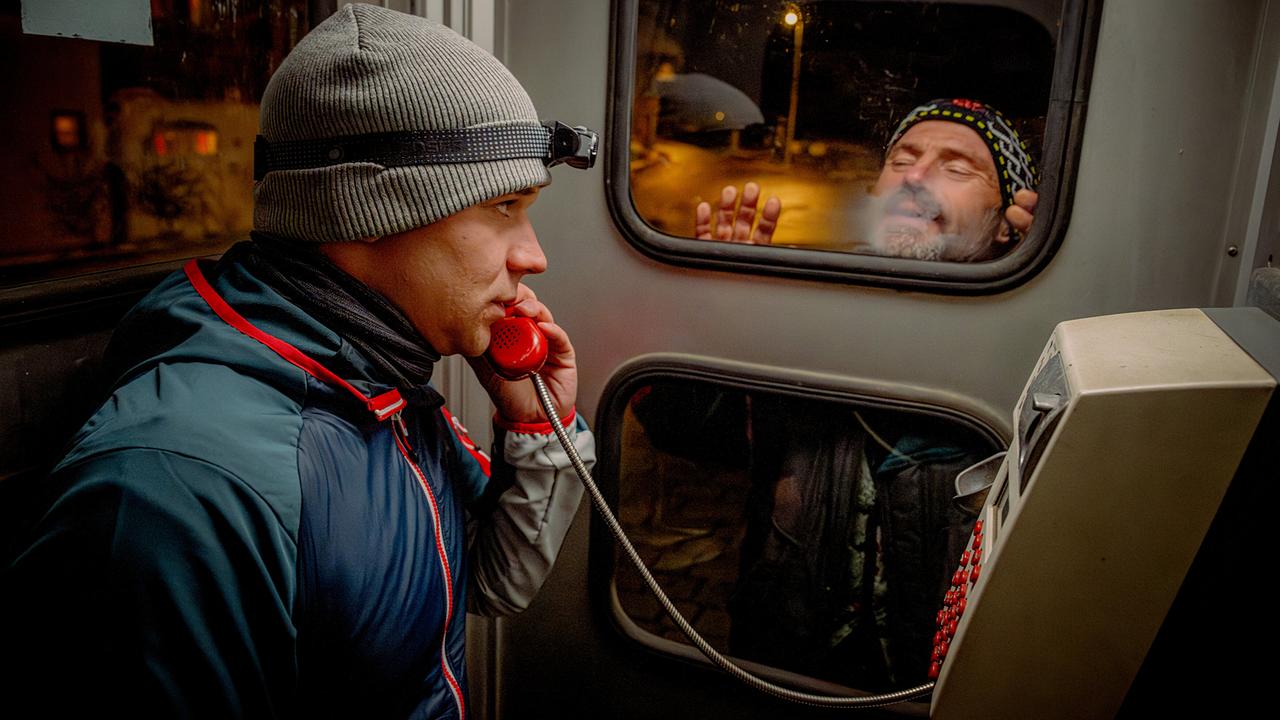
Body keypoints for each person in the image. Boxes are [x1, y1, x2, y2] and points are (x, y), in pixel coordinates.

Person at [2, 5, 595, 718]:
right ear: (369, 206)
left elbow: (493, 582)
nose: (534, 255)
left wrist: (539, 429)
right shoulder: (183, 488)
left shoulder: (383, 386)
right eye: (504, 206)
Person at [695, 98, 1039, 262]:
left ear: (1005, 224)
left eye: (957, 169)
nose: (914, 176)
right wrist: (731, 298)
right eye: (901, 161)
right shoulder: (816, 287)